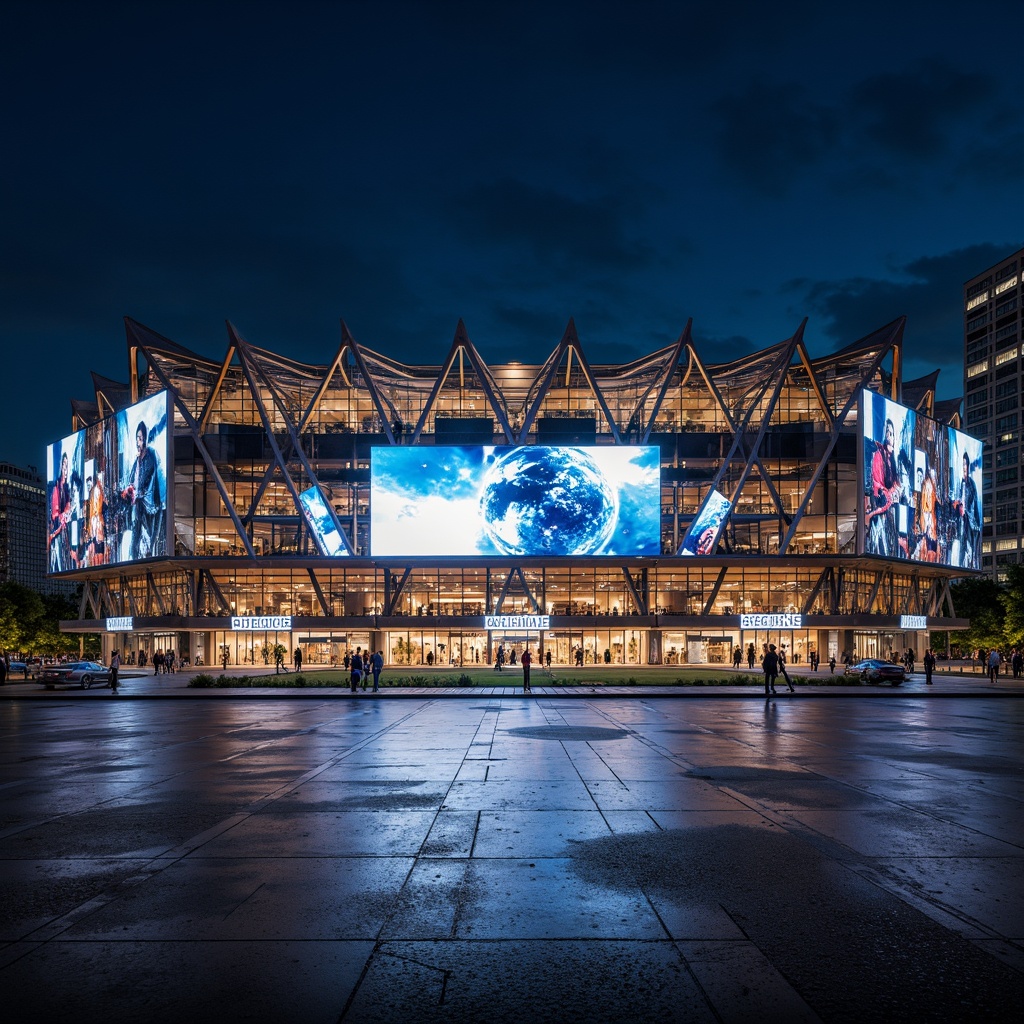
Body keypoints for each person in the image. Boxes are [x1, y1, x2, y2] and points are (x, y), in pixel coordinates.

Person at [121, 419, 163, 560]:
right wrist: (129, 489)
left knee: (151, 540)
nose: (139, 442)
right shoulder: (137, 461)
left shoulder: (150, 457)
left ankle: (147, 558)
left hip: (151, 506)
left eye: (141, 438)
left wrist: (136, 492)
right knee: (135, 536)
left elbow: (146, 480)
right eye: (138, 439)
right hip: (139, 505)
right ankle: (134, 560)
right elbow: (132, 481)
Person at [868, 417, 901, 557]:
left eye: (891, 433)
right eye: (887, 432)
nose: (889, 436)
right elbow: (877, 482)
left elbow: (896, 483)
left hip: (890, 507)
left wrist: (895, 490)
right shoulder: (878, 455)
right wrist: (887, 492)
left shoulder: (893, 460)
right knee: (882, 548)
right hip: (880, 507)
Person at [955, 451, 981, 570]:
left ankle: (970, 565)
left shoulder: (971, 484)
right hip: (960, 521)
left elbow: (975, 506)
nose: (964, 467)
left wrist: (976, 522)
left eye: (965, 464)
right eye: (962, 464)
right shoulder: (958, 483)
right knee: (961, 547)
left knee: (971, 549)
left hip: (969, 521)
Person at [49, 451, 73, 572]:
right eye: (64, 464)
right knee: (60, 565)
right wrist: (64, 515)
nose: (65, 468)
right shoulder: (56, 487)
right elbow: (55, 515)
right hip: (57, 535)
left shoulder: (67, 487)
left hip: (64, 532)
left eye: (67, 465)